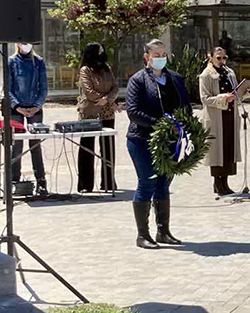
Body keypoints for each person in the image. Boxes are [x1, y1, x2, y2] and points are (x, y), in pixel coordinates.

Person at [125, 39, 190, 249]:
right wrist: (161, 124)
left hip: (170, 140)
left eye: (163, 55)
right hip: (142, 139)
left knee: (163, 183)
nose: (161, 58)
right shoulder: (138, 80)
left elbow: (186, 106)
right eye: (156, 55)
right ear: (147, 57)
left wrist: (183, 125)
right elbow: (133, 112)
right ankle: (143, 235)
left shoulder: (175, 78)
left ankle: (163, 231)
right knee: (147, 182)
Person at [199, 46, 250, 196]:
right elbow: (205, 98)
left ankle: (225, 182)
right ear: (210, 57)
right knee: (217, 151)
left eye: (225, 57)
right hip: (216, 118)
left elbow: (236, 94)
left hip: (230, 116)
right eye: (219, 57)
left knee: (229, 148)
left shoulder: (230, 73)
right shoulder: (206, 75)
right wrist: (223, 98)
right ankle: (218, 183)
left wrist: (245, 92)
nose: (222, 60)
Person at [76, 42, 119, 194]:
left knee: (108, 148)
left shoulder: (107, 68)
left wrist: (107, 100)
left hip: (107, 112)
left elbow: (115, 87)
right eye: (99, 51)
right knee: (87, 148)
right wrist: (103, 99)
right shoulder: (85, 70)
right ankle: (85, 184)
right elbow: (88, 91)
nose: (102, 53)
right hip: (90, 113)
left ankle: (108, 182)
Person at [9, 42, 48, 196]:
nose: (26, 45)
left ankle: (41, 181)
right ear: (18, 44)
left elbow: (43, 87)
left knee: (35, 145)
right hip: (16, 109)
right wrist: (17, 106)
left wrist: (37, 106)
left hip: (35, 108)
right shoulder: (11, 62)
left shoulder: (38, 62)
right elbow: (8, 88)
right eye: (23, 43)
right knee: (16, 145)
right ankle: (14, 181)